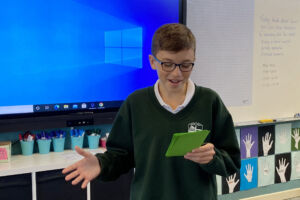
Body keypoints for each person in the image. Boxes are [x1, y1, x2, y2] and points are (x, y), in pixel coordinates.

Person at [62, 23, 240, 200]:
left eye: (186, 65)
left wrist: (213, 158)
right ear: (153, 62)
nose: (177, 73)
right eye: (168, 64)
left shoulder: (209, 102)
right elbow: (121, 156)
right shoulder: (136, 103)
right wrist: (101, 164)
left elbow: (232, 161)